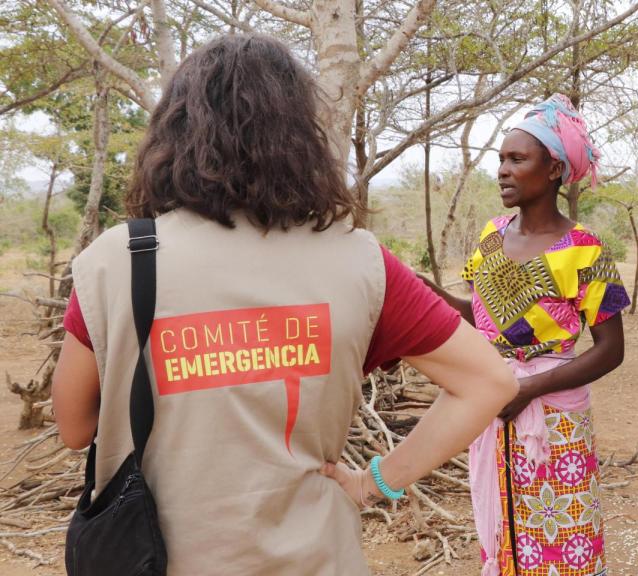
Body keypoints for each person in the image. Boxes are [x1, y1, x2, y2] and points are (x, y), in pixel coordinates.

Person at [51, 34, 517, 575]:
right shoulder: (358, 261)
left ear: (174, 132)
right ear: (300, 135)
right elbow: (490, 382)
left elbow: (75, 427)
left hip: (157, 559)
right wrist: (374, 482)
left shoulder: (121, 259)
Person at [422, 94, 629, 576]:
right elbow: (477, 317)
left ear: (554, 168)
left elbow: (612, 350)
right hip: (495, 399)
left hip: (554, 416)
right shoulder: (492, 236)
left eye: (518, 159)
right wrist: (425, 293)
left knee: (563, 532)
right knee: (505, 527)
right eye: (500, 160)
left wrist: (529, 387)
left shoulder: (585, 248)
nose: (503, 171)